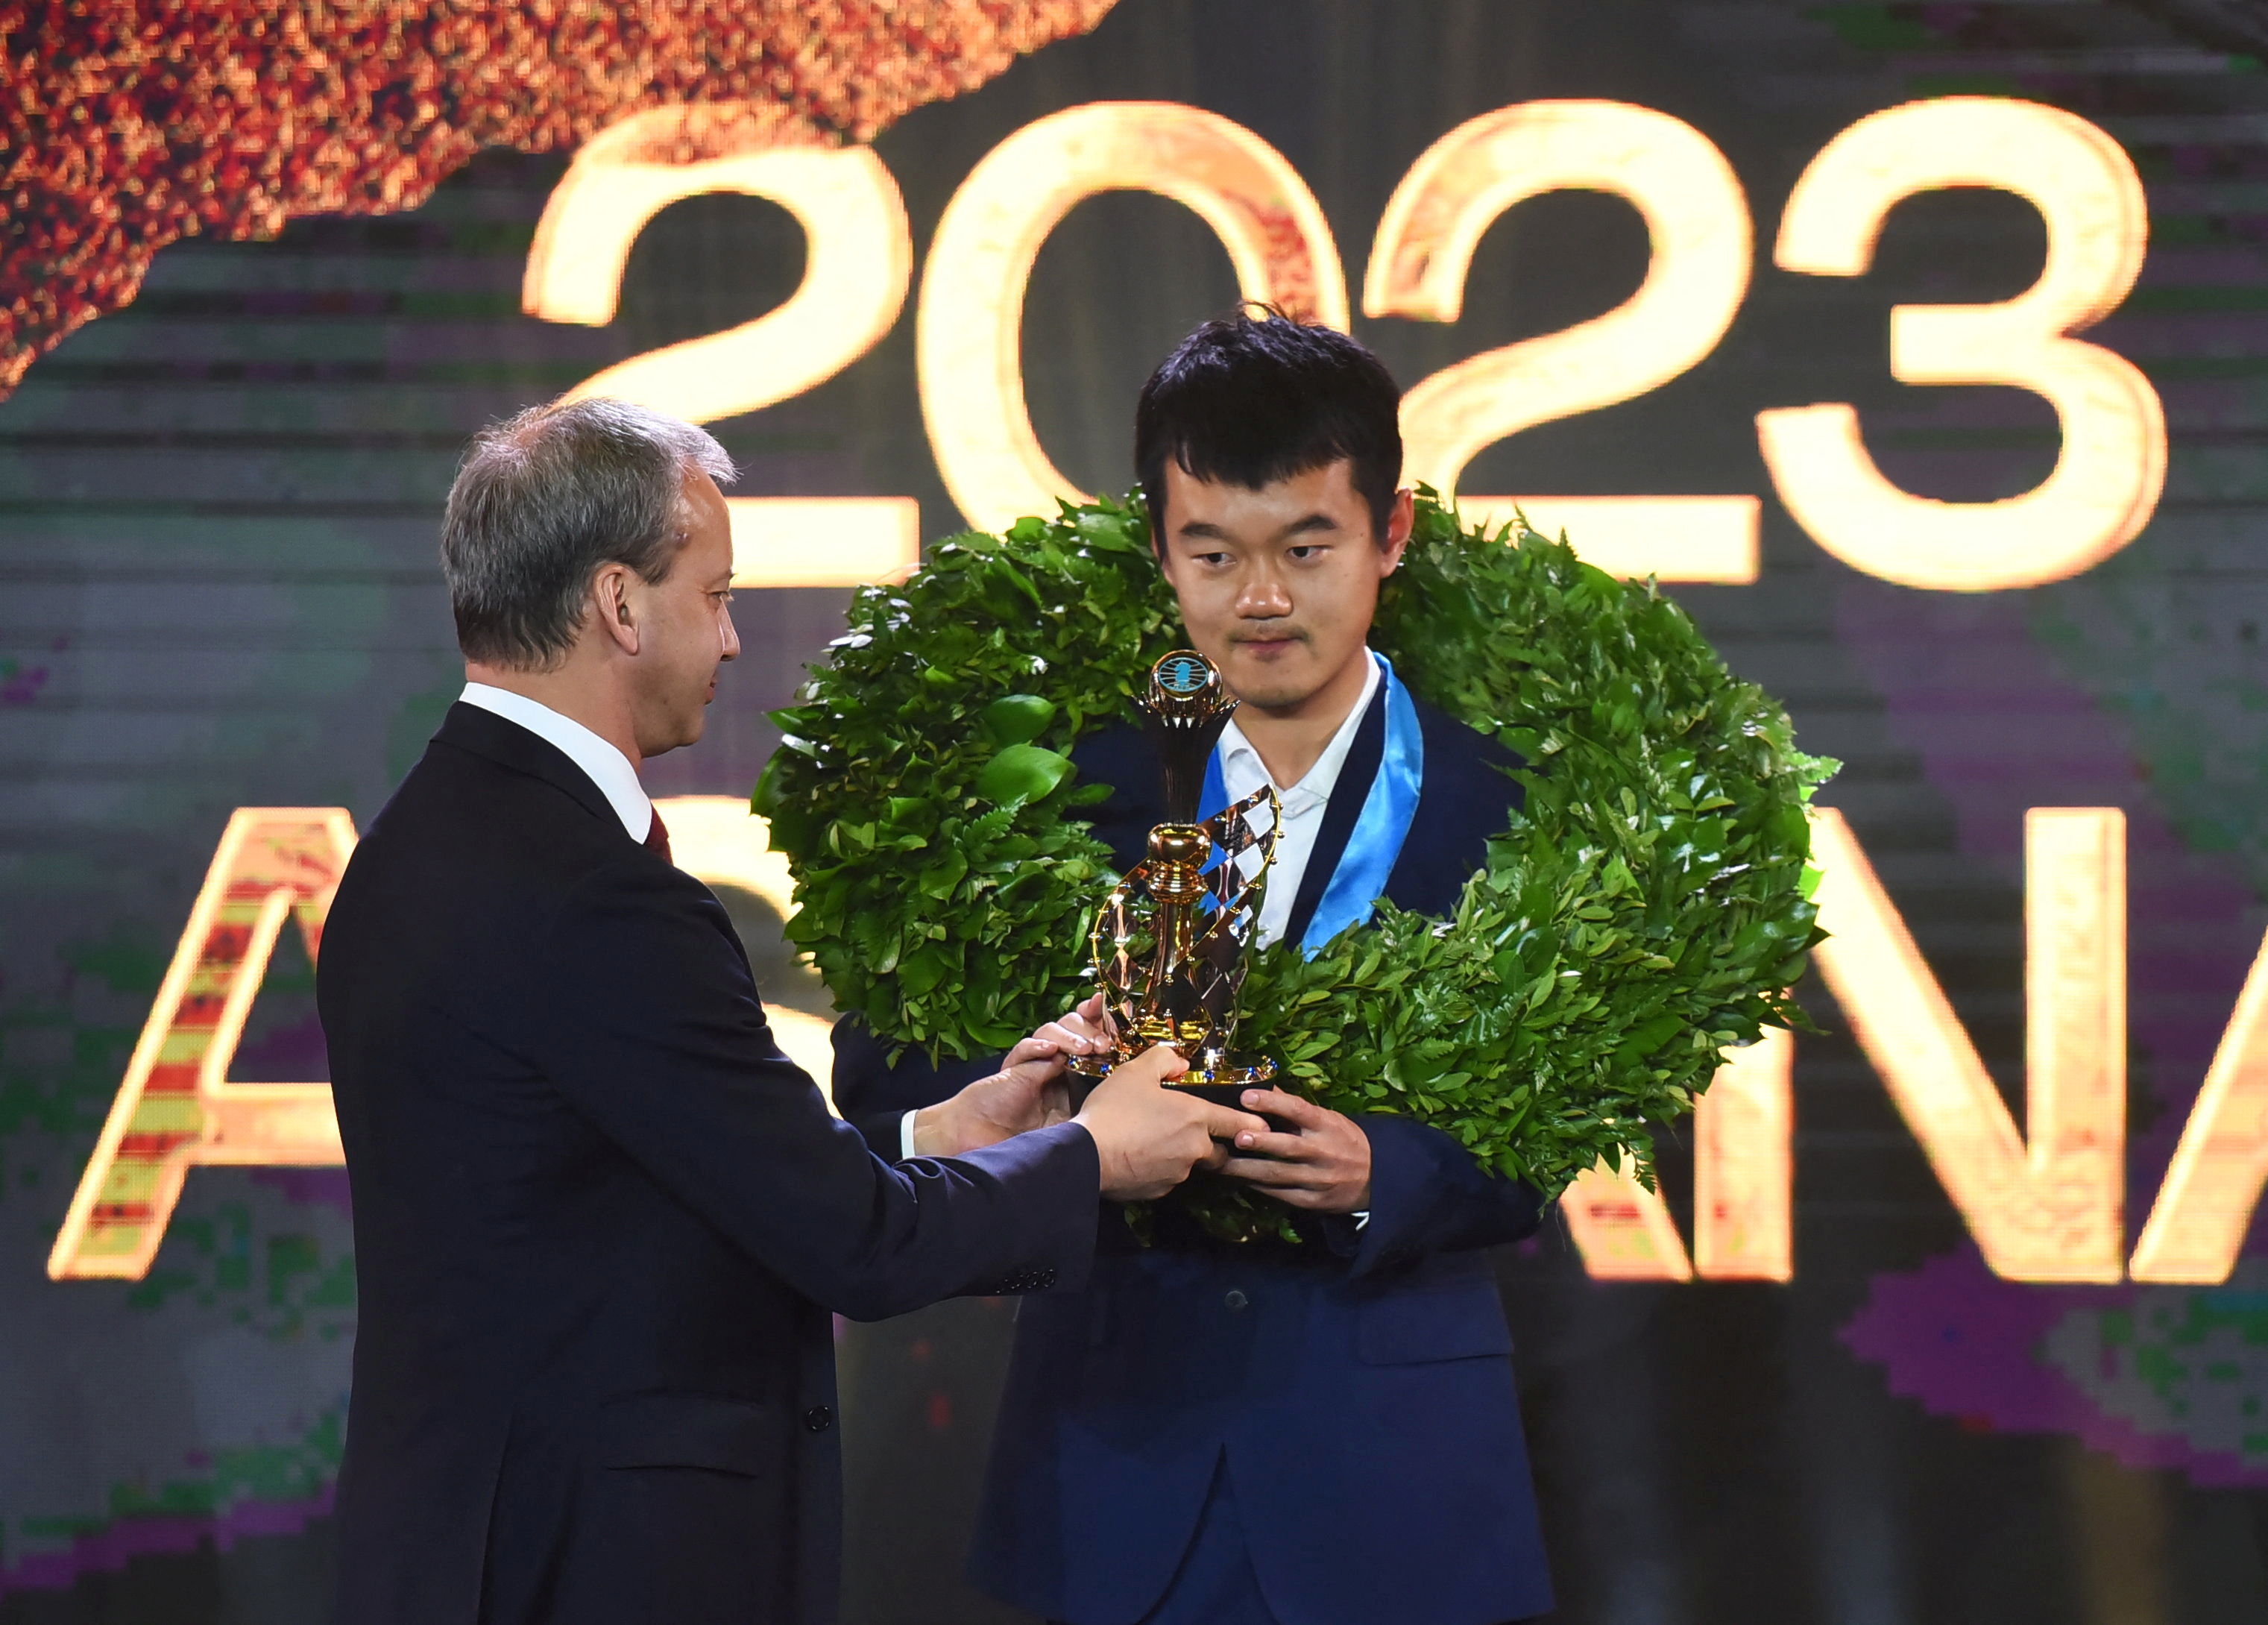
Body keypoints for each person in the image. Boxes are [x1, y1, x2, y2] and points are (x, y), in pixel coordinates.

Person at [316, 396, 1266, 1625]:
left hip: (470, 1547)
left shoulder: (419, 843)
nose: (729, 640)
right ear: (619, 604)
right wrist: (1091, 1154)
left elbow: (655, 1179)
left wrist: (945, 1134)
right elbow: (855, 1246)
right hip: (591, 1567)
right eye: (715, 596)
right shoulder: (591, 894)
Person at [832, 311, 1554, 1625]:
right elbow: (889, 1074)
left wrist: (1386, 1174)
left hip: (1393, 1475)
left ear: (1391, 533)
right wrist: (1042, 1107)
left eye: (1305, 549)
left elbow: (1587, 1095)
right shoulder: (1044, 781)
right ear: (1159, 548)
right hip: (1115, 1456)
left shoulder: (1504, 797)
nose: (1259, 598)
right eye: (1213, 553)